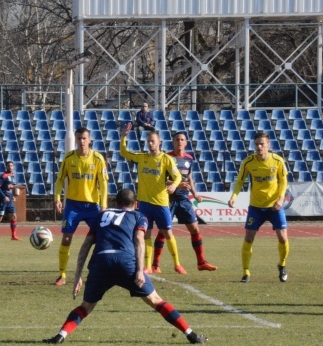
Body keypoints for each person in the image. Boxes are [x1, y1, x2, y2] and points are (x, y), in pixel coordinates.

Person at [42, 188, 206, 345]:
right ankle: (190, 334)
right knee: (156, 301)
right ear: (135, 204)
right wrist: (140, 270)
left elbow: (85, 246)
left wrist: (77, 276)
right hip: (125, 262)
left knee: (86, 307)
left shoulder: (102, 215)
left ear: (116, 202)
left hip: (101, 262)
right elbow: (139, 241)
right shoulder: (139, 216)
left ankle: (60, 335)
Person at [119, 122, 185, 275]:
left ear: (159, 142)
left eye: (152, 141)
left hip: (161, 203)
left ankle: (177, 263)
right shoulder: (142, 158)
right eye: (148, 141)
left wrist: (174, 185)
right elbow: (124, 152)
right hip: (145, 204)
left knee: (168, 234)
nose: (149, 144)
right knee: (145, 234)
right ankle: (148, 266)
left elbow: (178, 175)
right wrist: (123, 137)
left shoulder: (166, 159)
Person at [227, 131, 289, 283]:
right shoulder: (248, 162)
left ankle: (282, 265)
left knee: (283, 238)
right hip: (256, 207)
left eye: (262, 144)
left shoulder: (277, 161)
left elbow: (283, 181)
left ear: (269, 145)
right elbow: (240, 181)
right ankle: (246, 272)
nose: (259, 147)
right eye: (257, 144)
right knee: (249, 238)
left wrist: (281, 199)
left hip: (274, 206)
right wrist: (234, 196)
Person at [53, 127, 109, 286]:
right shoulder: (69, 158)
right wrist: (57, 198)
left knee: (101, 238)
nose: (81, 141)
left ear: (90, 140)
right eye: (79, 138)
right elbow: (59, 180)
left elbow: (104, 184)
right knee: (66, 238)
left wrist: (104, 205)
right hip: (73, 205)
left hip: (92, 206)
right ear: (76, 140)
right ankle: (62, 274)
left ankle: (98, 271)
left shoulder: (98, 159)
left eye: (84, 138)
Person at [157, 131, 218, 272]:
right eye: (177, 139)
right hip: (169, 198)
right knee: (163, 231)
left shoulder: (189, 158)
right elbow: (161, 180)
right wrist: (178, 185)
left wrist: (195, 194)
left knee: (195, 229)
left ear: (186, 143)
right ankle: (155, 265)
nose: (179, 141)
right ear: (173, 142)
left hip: (184, 198)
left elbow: (189, 177)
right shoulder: (167, 158)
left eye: (182, 139)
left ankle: (201, 262)